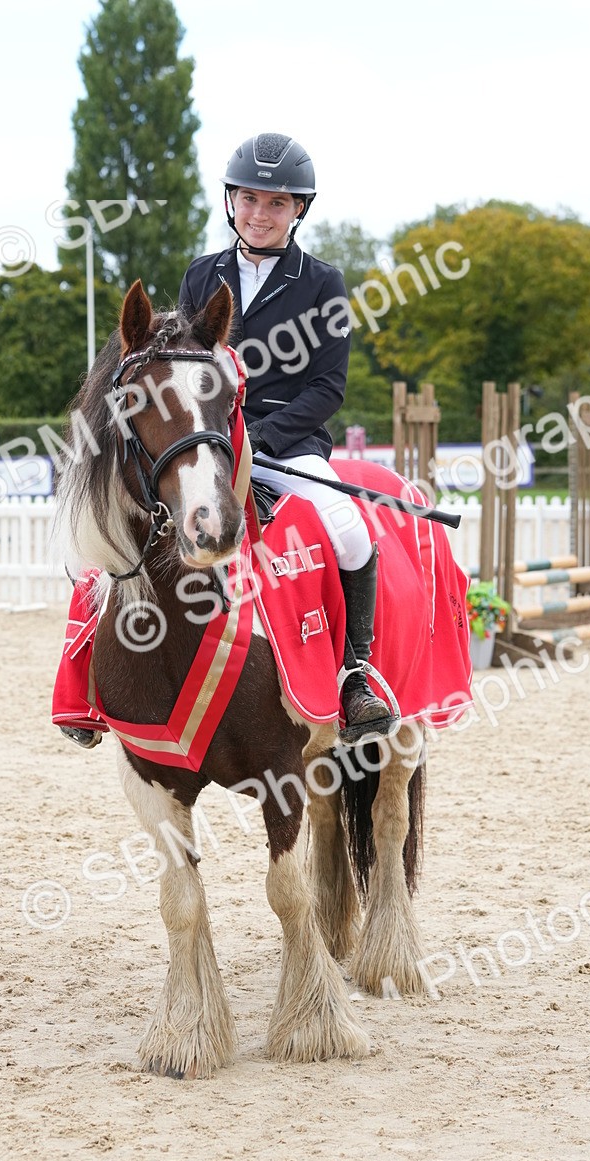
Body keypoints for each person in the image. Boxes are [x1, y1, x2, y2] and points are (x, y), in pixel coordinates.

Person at [58, 132, 395, 747]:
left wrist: (259, 435)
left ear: (298, 210)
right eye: (249, 200)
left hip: (286, 445)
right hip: (200, 439)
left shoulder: (323, 282)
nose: (260, 214)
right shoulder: (202, 273)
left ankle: (357, 673)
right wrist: (209, 432)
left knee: (348, 530)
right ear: (231, 202)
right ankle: (84, 680)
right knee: (111, 527)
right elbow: (183, 364)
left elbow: (328, 387)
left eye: (276, 203)